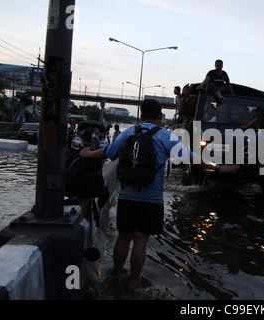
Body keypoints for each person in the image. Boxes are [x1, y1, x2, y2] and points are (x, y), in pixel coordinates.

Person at [80, 99, 237, 290]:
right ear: (160, 117)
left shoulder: (130, 132)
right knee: (140, 240)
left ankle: (116, 273)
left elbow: (106, 152)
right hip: (151, 199)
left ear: (141, 115)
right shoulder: (166, 136)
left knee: (123, 237)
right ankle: (134, 281)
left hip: (127, 196)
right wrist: (219, 167)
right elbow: (191, 158)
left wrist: (87, 153)